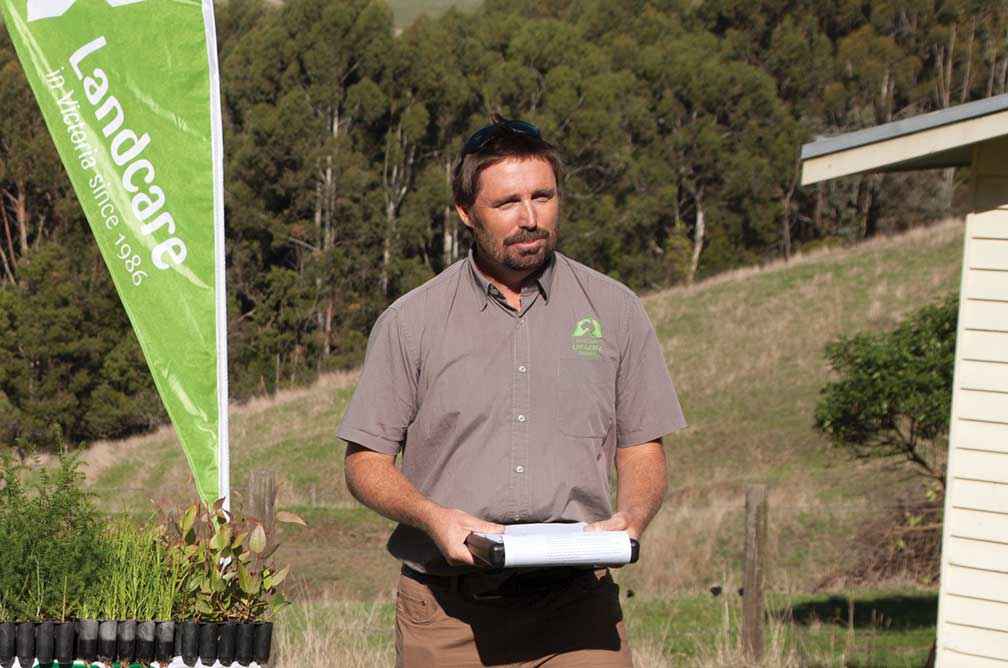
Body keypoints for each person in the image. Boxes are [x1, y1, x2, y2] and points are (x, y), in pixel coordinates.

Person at [338, 114, 686, 667]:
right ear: (465, 212)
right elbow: (365, 464)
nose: (529, 219)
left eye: (542, 197)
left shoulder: (615, 311)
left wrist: (633, 516)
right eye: (507, 203)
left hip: (579, 613)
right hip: (448, 616)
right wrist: (434, 517)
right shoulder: (412, 322)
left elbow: (642, 445)